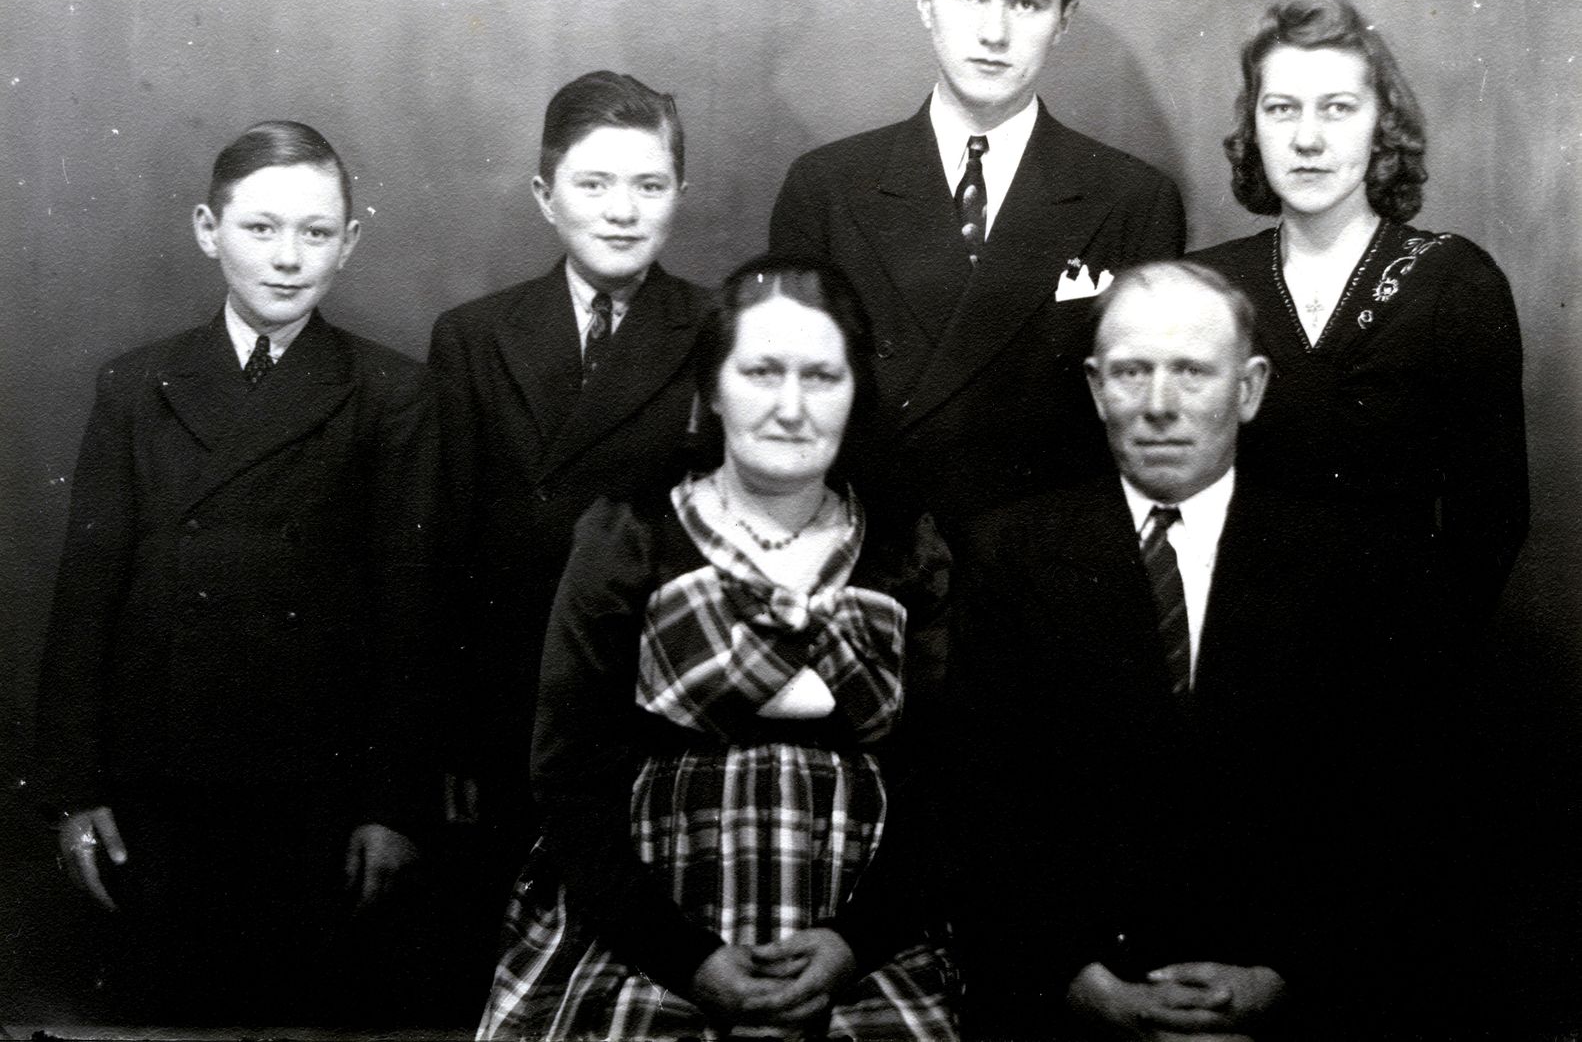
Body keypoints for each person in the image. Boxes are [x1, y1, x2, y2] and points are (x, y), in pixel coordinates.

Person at [478, 256, 957, 1040]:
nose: (791, 407)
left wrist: (852, 944)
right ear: (711, 387)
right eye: (761, 372)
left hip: (862, 939)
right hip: (649, 934)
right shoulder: (629, 536)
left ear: (855, 390)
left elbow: (943, 781)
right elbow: (568, 781)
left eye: (821, 376)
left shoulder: (907, 549)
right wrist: (690, 959)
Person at [953, 262, 1430, 1040]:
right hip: (1072, 1001)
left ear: (1249, 388)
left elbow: (1385, 807)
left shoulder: (1349, 563)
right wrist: (1079, 982)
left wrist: (1279, 978)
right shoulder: (1009, 553)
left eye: (1192, 372)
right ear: (1095, 387)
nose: (1159, 405)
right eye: (1131, 372)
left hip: (1289, 1002)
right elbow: (983, 803)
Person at [33, 121, 435, 1024]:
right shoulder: (135, 385)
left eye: (315, 232)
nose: (288, 259)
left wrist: (391, 807)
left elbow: (409, 614)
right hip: (158, 793)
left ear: (349, 241)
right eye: (260, 228)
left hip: (316, 801)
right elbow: (86, 596)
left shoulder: (392, 393)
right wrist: (72, 790)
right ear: (207, 230)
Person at [769, 0, 1185, 531]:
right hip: (864, 555)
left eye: (1027, 4)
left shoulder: (1134, 200)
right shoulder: (825, 188)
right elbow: (786, 409)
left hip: (1046, 563)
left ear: (1065, 19)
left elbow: (1140, 432)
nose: (994, 32)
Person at [426, 72, 711, 1006]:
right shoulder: (473, 336)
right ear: (545, 196)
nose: (622, 211)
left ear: (681, 192)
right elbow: (447, 553)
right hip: (510, 707)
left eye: (649, 184)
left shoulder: (720, 329)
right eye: (593, 184)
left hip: (657, 707)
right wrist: (453, 739)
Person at [1193, 0, 1527, 623]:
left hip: (1403, 654)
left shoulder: (1453, 281)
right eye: (1281, 108)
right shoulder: (1207, 285)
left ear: (1382, 128)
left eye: (1338, 108)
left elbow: (1492, 521)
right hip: (1230, 647)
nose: (1307, 139)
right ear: (1254, 127)